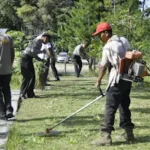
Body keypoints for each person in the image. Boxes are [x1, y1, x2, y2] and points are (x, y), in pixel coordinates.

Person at [91, 22, 135, 146]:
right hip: (127, 79)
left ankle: (106, 137)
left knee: (110, 107)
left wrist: (98, 80)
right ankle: (129, 134)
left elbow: (104, 66)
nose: (99, 37)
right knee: (124, 105)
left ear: (106, 33)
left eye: (100, 34)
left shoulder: (108, 46)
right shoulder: (123, 41)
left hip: (116, 80)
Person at [18, 33, 51, 101]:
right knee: (27, 76)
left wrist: (41, 59)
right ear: (44, 37)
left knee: (32, 76)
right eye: (48, 40)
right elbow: (33, 51)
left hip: (29, 58)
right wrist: (42, 51)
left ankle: (30, 94)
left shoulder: (39, 42)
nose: (47, 42)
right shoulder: (37, 41)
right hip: (25, 58)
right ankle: (22, 93)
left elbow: (33, 54)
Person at [0, 33, 15, 119]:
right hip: (6, 69)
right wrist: (10, 65)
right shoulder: (8, 37)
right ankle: (8, 109)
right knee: (6, 89)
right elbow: (12, 53)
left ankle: (2, 112)